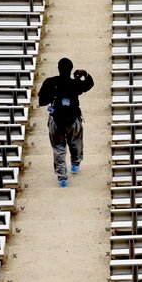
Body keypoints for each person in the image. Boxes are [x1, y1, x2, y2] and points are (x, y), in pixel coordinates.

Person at [38, 58, 94, 187]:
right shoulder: (75, 83)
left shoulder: (50, 82)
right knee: (76, 142)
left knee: (58, 148)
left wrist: (53, 95)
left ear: (58, 68)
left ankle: (62, 177)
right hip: (73, 119)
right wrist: (85, 74)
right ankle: (75, 164)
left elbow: (42, 102)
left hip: (56, 120)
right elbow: (89, 84)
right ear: (71, 70)